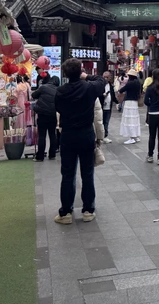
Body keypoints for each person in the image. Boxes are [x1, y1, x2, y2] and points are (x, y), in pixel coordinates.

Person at [54, 59, 105, 225]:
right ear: (80, 71)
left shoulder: (60, 91)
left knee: (68, 174)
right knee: (87, 173)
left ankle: (66, 212)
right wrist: (87, 76)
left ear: (65, 74)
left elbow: (59, 109)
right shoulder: (89, 88)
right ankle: (88, 210)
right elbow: (101, 80)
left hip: (68, 135)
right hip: (86, 134)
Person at [31, 75, 59, 162]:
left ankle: (40, 156)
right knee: (52, 134)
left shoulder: (43, 87)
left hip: (42, 114)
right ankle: (52, 154)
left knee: (42, 135)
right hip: (53, 115)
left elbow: (34, 95)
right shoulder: (58, 90)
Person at [118, 69, 142, 144]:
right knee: (135, 119)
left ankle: (132, 137)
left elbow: (121, 90)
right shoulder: (138, 82)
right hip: (135, 101)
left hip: (129, 102)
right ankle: (136, 136)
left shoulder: (130, 83)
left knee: (129, 119)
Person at [101, 71, 116, 144]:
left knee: (106, 122)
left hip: (108, 106)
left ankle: (105, 136)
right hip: (101, 106)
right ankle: (101, 136)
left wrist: (117, 101)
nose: (106, 79)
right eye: (104, 77)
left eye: (107, 77)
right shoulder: (100, 85)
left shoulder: (110, 85)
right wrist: (102, 95)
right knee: (102, 122)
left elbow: (112, 95)